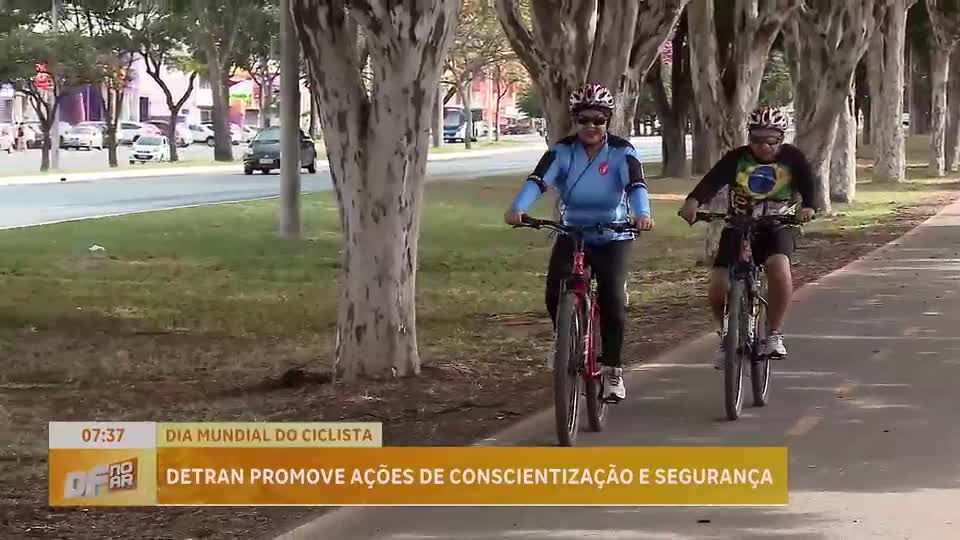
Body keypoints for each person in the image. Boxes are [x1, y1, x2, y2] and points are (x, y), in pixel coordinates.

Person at [504, 83, 654, 403]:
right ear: (575, 120)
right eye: (584, 119)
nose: (591, 126)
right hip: (572, 231)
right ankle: (564, 339)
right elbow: (538, 180)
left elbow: (636, 185)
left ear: (608, 121)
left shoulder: (622, 151)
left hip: (613, 233)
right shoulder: (562, 151)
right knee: (554, 290)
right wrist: (519, 207)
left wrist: (642, 214)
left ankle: (613, 370)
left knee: (612, 297)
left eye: (598, 120)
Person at [678, 106, 818, 367]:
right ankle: (728, 337)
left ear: (782, 137)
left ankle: (774, 334)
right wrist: (694, 201)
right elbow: (712, 181)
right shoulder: (737, 158)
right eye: (756, 139)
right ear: (749, 136)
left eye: (771, 140)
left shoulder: (792, 159)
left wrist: (809, 206)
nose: (763, 146)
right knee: (718, 286)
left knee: (779, 268)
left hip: (778, 224)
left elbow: (809, 184)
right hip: (739, 225)